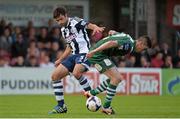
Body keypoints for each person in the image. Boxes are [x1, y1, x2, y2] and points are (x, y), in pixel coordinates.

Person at [48, 7, 104, 114]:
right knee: (55, 76)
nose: (60, 22)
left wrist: (95, 27)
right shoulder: (63, 30)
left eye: (61, 19)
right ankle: (61, 106)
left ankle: (91, 94)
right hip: (74, 55)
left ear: (66, 15)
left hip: (85, 53)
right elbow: (70, 46)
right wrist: (60, 59)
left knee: (76, 72)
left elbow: (87, 24)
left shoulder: (75, 21)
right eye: (57, 21)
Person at [85, 30, 152, 115]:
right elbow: (111, 43)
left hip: (101, 55)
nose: (143, 51)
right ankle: (106, 107)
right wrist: (94, 51)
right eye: (144, 48)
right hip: (98, 55)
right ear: (141, 44)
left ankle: (91, 93)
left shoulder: (128, 37)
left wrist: (113, 32)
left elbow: (114, 34)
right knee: (117, 78)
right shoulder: (129, 45)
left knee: (116, 79)